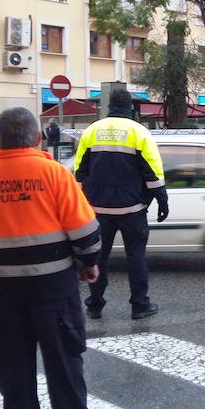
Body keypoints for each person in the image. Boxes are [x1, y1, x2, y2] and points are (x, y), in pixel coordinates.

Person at [0, 107, 101, 408]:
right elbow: (83, 231)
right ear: (37, 138)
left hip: (3, 294)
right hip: (55, 292)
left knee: (14, 376)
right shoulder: (55, 173)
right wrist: (90, 262)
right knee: (65, 370)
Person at [74, 88, 169, 320]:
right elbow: (152, 171)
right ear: (130, 108)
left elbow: (79, 170)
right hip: (132, 209)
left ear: (109, 106)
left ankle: (95, 304)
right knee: (135, 256)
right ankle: (139, 305)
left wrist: (88, 196)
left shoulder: (91, 131)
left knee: (98, 257)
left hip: (98, 210)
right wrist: (162, 199)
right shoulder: (139, 132)